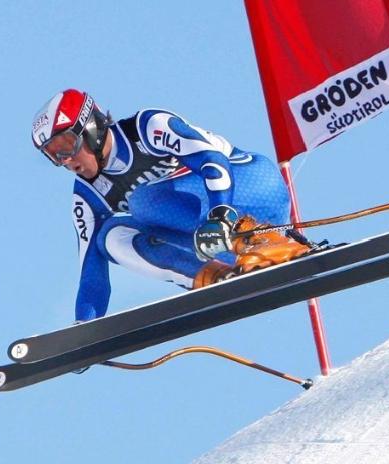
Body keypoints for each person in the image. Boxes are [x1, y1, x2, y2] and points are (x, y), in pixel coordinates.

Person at [32, 89, 313, 322]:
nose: (66, 161)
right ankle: (215, 276)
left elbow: (211, 161)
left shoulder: (146, 127)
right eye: (54, 155)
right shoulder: (87, 195)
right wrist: (84, 330)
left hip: (253, 187)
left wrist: (220, 216)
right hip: (220, 244)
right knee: (110, 237)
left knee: (143, 200)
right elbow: (91, 272)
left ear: (91, 128)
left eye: (66, 145)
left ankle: (262, 239)